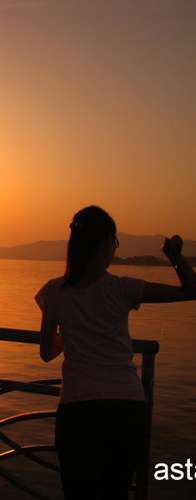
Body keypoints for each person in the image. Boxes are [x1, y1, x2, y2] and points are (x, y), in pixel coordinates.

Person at [35, 205, 196, 500]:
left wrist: (69, 336)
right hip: (126, 407)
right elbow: (191, 291)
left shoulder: (53, 292)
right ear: (107, 243)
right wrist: (174, 257)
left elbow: (46, 352)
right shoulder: (124, 288)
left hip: (78, 409)